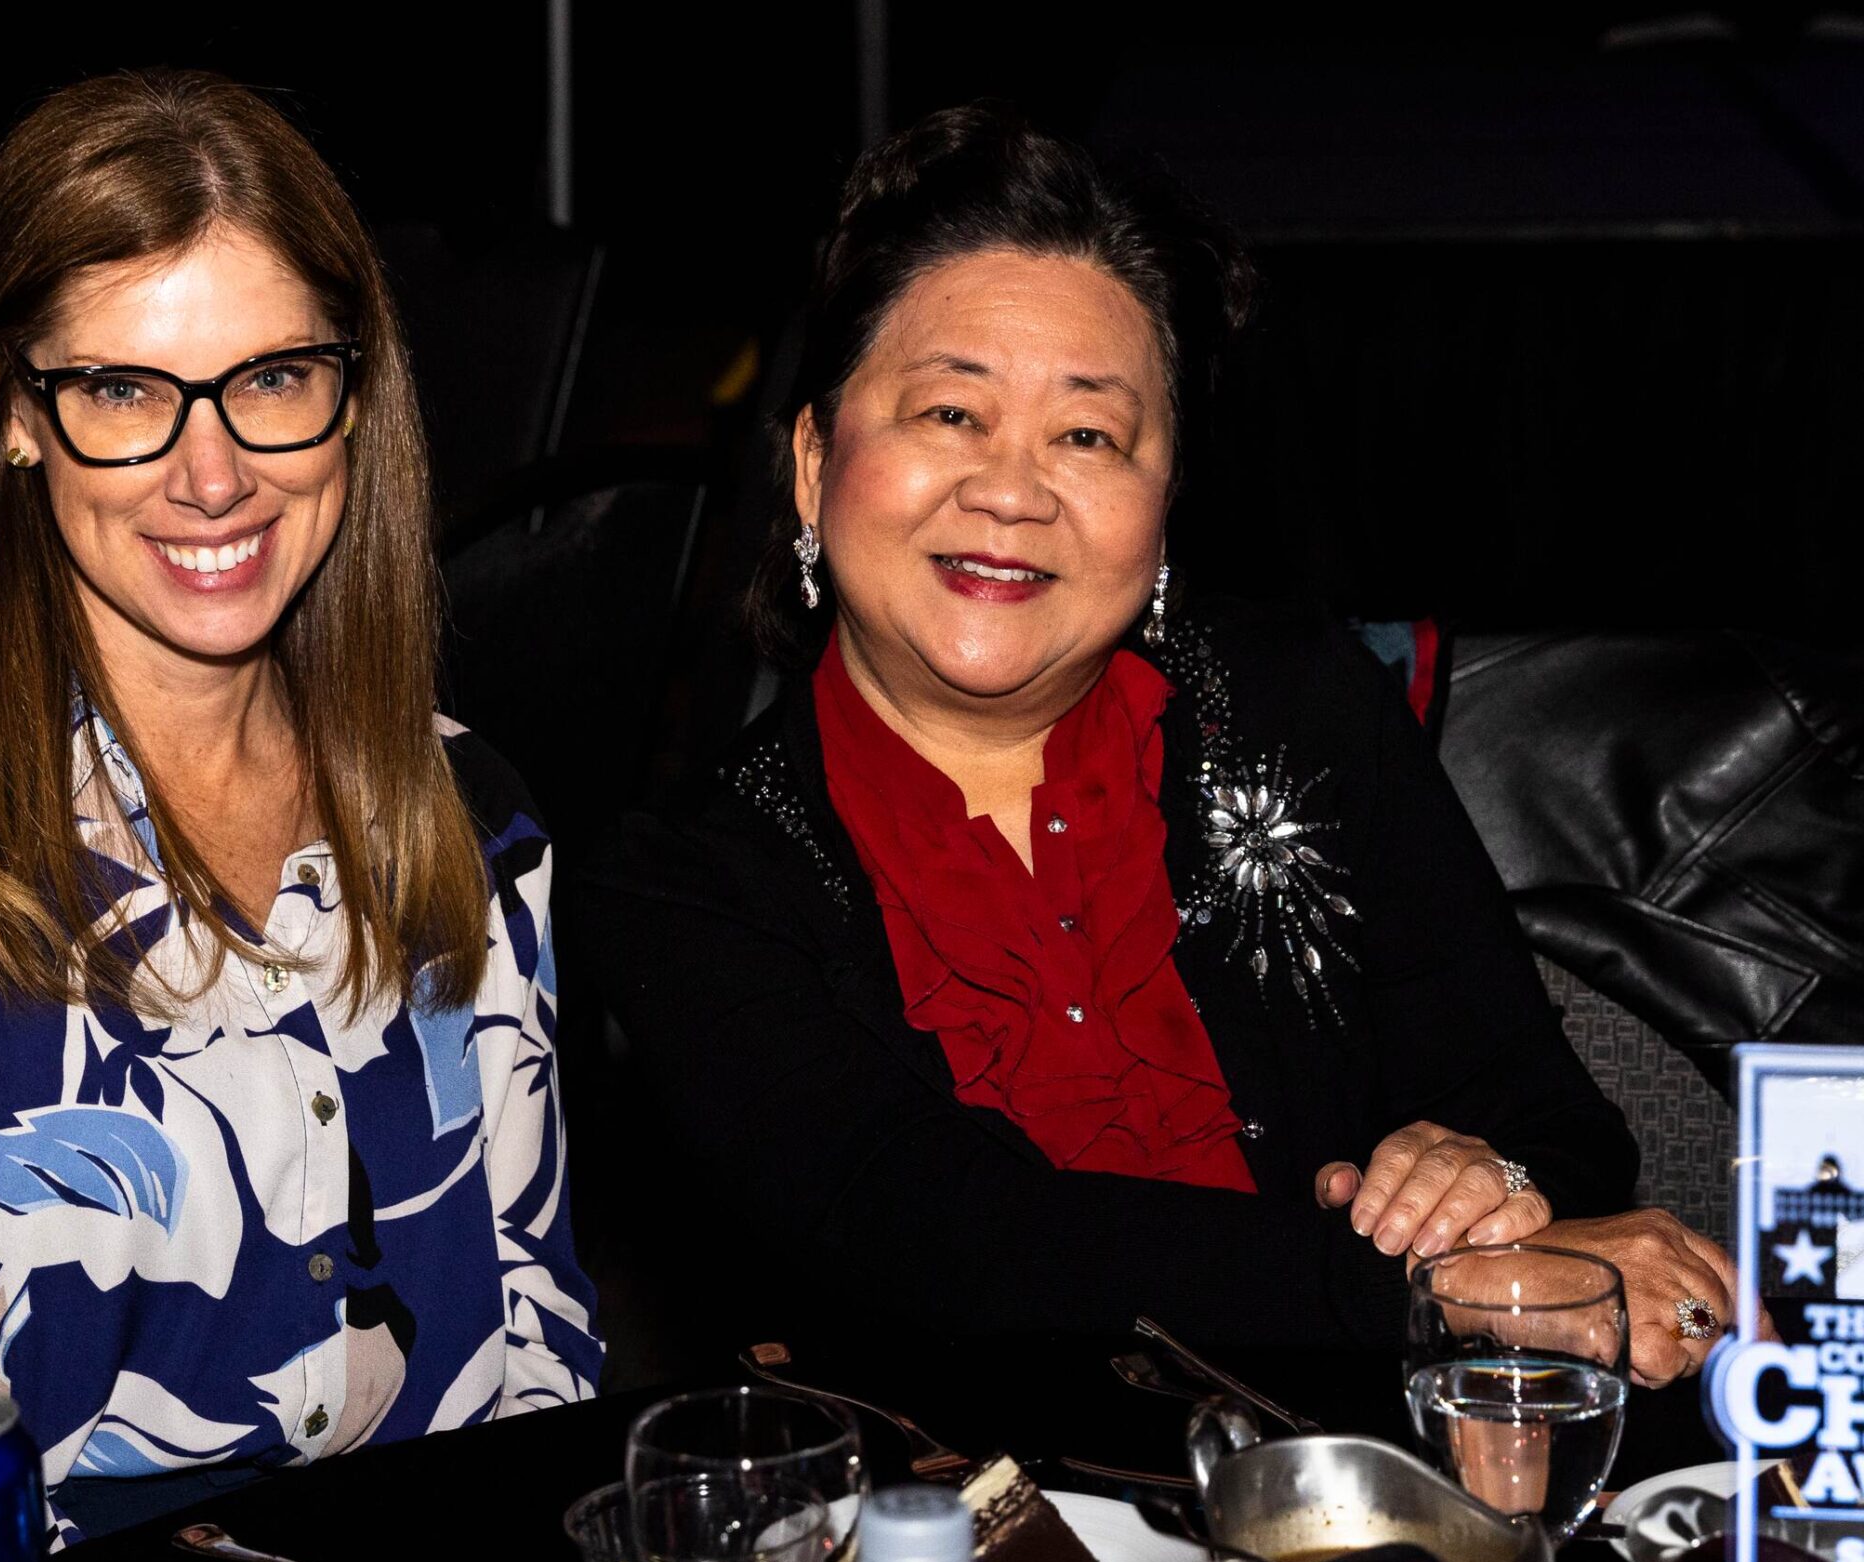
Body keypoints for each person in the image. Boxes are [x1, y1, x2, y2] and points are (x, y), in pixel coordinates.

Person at [571, 104, 1733, 1386]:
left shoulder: (1298, 708)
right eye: (949, 413)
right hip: (937, 1502)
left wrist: (1481, 1182)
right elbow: (935, 1241)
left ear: (1166, 502)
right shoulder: (686, 877)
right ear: (811, 462)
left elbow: (1551, 1121)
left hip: (1368, 1479)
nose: (1010, 490)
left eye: (1087, 435)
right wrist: (1431, 1287)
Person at [0, 68, 599, 1562]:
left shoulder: (470, 810)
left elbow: (542, 1353)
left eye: (274, 377)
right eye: (123, 391)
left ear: (355, 387)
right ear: (4, 405)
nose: (214, 473)